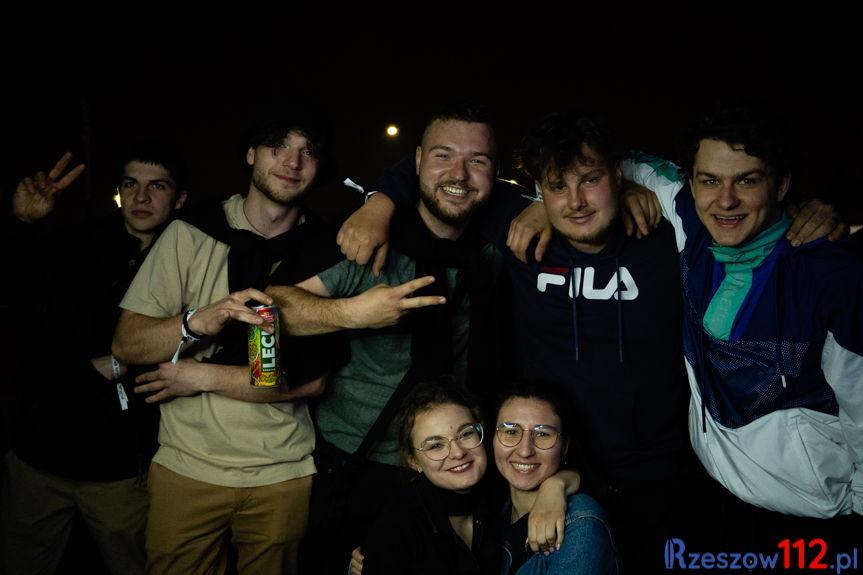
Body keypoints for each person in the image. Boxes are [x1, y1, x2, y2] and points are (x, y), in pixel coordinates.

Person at [333, 110, 844, 568]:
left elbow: (743, 206)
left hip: (663, 477)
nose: (575, 202)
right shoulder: (519, 227)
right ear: (539, 188)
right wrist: (379, 203)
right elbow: (447, 178)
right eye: (557, 186)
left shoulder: (667, 235)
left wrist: (805, 212)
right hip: (551, 472)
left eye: (591, 181)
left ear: (617, 176)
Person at [266, 103, 509, 572]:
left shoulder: (495, 247)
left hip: (452, 460)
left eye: (477, 161)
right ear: (416, 160)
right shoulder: (368, 241)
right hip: (355, 460)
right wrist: (353, 313)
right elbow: (270, 306)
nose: (459, 174)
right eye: (443, 156)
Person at [111, 113, 343, 575]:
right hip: (187, 466)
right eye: (278, 146)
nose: (293, 162)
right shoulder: (192, 231)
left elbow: (311, 381)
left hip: (282, 470)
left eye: (308, 152)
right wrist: (198, 321)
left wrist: (198, 376)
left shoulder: (325, 248)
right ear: (251, 154)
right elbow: (128, 345)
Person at [621, 104, 863, 544]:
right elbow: (609, 162)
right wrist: (543, 205)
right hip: (711, 488)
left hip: (811, 514)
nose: (726, 200)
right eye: (710, 180)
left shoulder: (831, 277)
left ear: (781, 184)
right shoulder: (692, 220)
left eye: (747, 181)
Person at [1, 144, 187, 575]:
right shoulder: (77, 246)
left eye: (157, 186)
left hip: (120, 470)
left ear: (179, 199)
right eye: (131, 184)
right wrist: (24, 224)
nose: (141, 197)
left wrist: (124, 363)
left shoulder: (189, 258)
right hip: (39, 457)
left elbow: (199, 333)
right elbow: (19, 309)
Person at [356, 378, 583, 575]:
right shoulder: (396, 528)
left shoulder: (498, 488)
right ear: (414, 461)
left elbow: (594, 480)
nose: (457, 453)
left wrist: (556, 485)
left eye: (465, 434)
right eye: (436, 446)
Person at [495, 383, 617, 574]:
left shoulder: (581, 524)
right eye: (511, 431)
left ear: (565, 446)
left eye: (543, 434)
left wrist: (557, 484)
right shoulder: (493, 509)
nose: (525, 451)